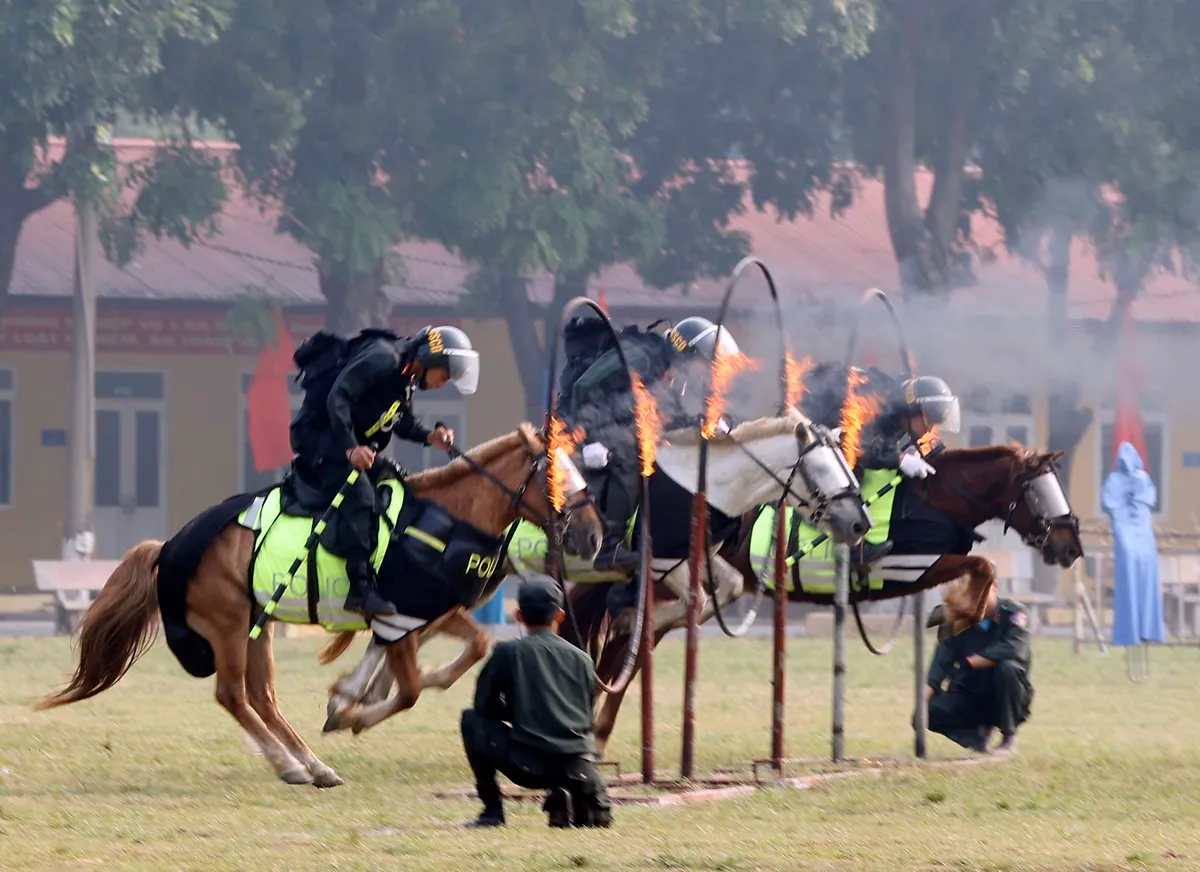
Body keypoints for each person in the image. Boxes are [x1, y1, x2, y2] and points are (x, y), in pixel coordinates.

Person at [288, 325, 479, 617]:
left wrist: (430, 436)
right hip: (320, 439)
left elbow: (401, 423)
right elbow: (337, 398)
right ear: (431, 357)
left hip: (349, 445)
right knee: (361, 498)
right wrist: (350, 448)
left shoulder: (407, 377)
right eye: (445, 374)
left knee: (397, 484)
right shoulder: (384, 358)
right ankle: (359, 592)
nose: (444, 383)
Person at [563, 315, 740, 574]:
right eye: (707, 364)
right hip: (579, 424)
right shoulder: (642, 357)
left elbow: (669, 422)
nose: (710, 374)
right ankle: (609, 545)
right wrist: (587, 438)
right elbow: (584, 387)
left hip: (611, 424)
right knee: (632, 453)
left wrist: (704, 425)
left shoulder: (669, 376)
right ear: (687, 353)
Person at [460, 575, 613, 828]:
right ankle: (567, 795)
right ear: (560, 616)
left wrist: (519, 712)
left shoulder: (507, 652)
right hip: (580, 767)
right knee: (598, 819)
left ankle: (492, 810)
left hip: (528, 766)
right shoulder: (582, 659)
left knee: (471, 720)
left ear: (519, 616)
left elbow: (483, 707)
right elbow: (586, 715)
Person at [853, 373, 961, 567]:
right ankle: (854, 549)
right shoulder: (875, 412)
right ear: (912, 411)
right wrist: (899, 459)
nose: (929, 429)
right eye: (928, 420)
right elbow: (861, 450)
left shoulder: (899, 424)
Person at [923, 577, 1033, 755]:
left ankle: (1008, 737)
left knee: (1007, 669)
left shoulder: (1014, 613)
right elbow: (942, 659)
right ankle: (976, 738)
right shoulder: (957, 620)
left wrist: (971, 661)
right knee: (925, 713)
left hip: (1007, 695)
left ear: (994, 586)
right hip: (971, 694)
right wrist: (927, 690)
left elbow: (1012, 647)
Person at [1101, 441, 1165, 648]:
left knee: (1145, 580)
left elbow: (1144, 502)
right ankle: (1131, 631)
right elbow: (1112, 504)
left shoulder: (1142, 479)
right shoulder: (1116, 480)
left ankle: (1147, 629)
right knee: (1129, 581)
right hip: (1128, 535)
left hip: (1142, 536)